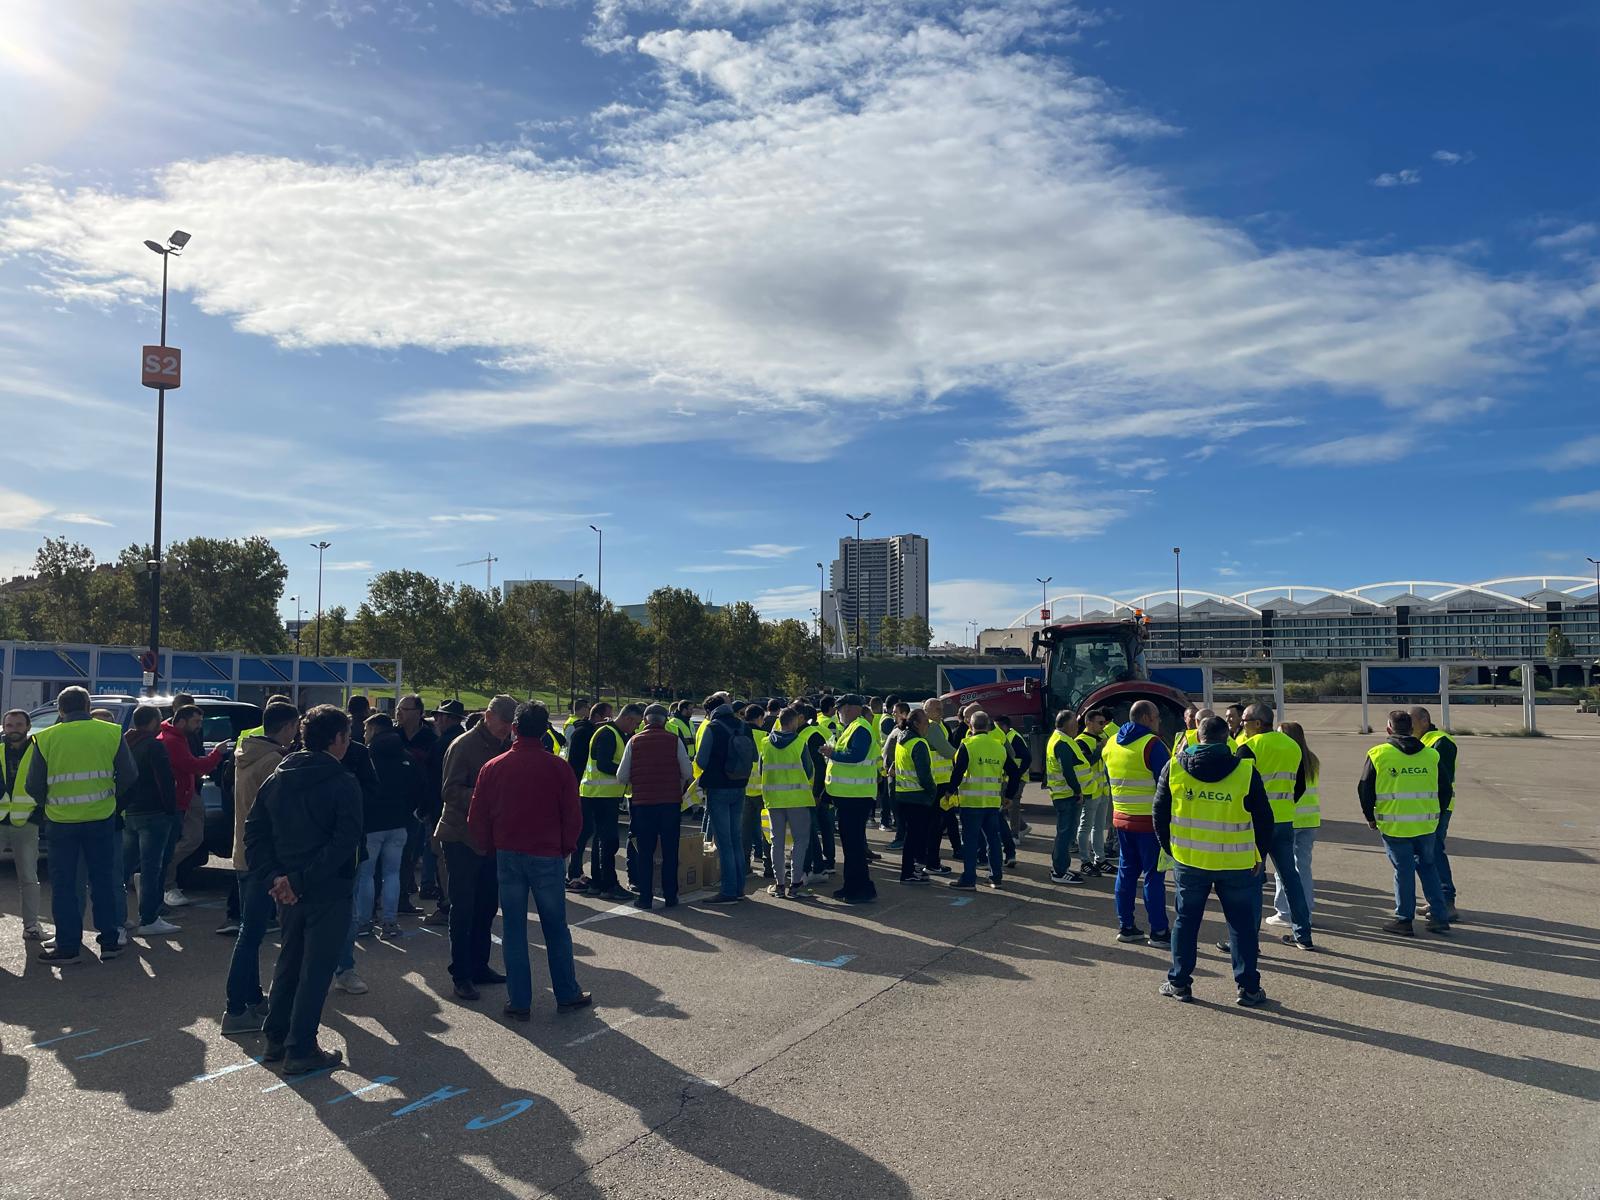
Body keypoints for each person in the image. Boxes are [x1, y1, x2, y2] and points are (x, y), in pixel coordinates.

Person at [244, 704, 362, 1074]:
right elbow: (345, 842)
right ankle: (300, 1047)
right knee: (316, 969)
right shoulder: (341, 782)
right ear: (338, 739)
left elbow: (254, 833)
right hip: (324, 888)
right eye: (347, 735)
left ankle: (276, 1038)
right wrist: (293, 880)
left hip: (289, 888)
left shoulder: (278, 777)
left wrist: (276, 878)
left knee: (290, 962)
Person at [467, 702, 591, 1019]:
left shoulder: (493, 766)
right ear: (545, 729)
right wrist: (566, 846)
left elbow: (477, 814)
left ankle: (519, 1000)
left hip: (508, 853)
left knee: (514, 929)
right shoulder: (558, 768)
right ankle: (566, 992)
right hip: (547, 853)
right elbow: (572, 815)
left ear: (514, 728)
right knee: (555, 928)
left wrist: (485, 846)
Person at [1155, 714, 1275, 1006]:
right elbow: (1264, 818)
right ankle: (1248, 989)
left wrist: (1170, 850)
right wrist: (1259, 853)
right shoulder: (1245, 771)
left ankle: (1180, 983)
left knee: (1186, 922)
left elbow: (1159, 814)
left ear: (1199, 736)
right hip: (1236, 863)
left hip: (1190, 861)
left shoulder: (1174, 768)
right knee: (1241, 926)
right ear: (1227, 738)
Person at [25, 687, 135, 964]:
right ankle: (110, 941)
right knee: (104, 882)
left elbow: (33, 785)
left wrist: (51, 803)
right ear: (88, 706)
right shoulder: (110, 732)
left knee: (64, 885)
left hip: (61, 822)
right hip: (101, 818)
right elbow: (130, 775)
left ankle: (68, 946)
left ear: (60, 710)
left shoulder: (46, 737)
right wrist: (112, 800)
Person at [221, 701, 298, 1031]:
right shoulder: (274, 762)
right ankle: (235, 1008)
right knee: (251, 934)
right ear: (286, 728)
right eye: (295, 727)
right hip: (261, 857)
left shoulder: (245, 752)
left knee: (250, 931)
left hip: (243, 851)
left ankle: (251, 997)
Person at [436, 694, 515, 1001]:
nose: (506, 729)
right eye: (503, 722)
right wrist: (486, 796)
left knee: (486, 906)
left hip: (490, 838)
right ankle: (462, 974)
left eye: (510, 724)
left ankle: (480, 965)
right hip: (460, 836)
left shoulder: (504, 745)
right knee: (463, 908)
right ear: (488, 715)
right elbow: (449, 790)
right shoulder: (464, 745)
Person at [1359, 709, 1450, 936]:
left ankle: (1404, 919)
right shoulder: (1431, 755)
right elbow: (1446, 789)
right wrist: (1436, 814)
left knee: (1404, 870)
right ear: (1411, 729)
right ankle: (1439, 915)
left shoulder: (1378, 753)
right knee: (1428, 867)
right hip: (1426, 825)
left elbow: (1364, 788)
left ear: (1389, 728)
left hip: (1395, 826)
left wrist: (1369, 816)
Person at [1235, 703, 1314, 950]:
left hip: (1257, 823)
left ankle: (1250, 940)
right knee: (1290, 877)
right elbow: (1300, 784)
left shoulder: (1249, 747)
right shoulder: (1292, 746)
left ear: (1258, 723)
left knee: (1254, 880)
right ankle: (1303, 935)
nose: (1241, 725)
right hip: (1285, 819)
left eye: (1245, 720)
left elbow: (1239, 786)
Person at [1102, 699, 1171, 946]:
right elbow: (1168, 783)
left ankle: (1126, 925)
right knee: (1154, 875)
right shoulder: (1152, 745)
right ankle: (1159, 931)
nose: (1159, 721)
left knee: (1126, 872)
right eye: (1156, 717)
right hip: (1149, 822)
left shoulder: (1111, 743)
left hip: (1121, 818)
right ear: (1146, 718)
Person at [617, 704, 693, 909]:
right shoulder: (674, 740)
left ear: (644, 720)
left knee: (645, 852)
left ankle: (645, 897)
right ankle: (671, 895)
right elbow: (687, 771)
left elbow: (621, 776)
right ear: (665, 721)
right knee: (670, 850)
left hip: (643, 804)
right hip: (670, 803)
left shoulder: (634, 741)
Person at [156, 703, 228, 907]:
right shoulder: (172, 741)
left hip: (187, 795)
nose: (199, 726)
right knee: (189, 840)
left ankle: (162, 878)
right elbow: (194, 765)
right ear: (181, 720)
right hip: (181, 798)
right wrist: (216, 754)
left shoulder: (177, 737)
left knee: (184, 840)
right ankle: (162, 879)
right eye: (196, 722)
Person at [357, 713, 421, 941]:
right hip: (399, 823)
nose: (364, 734)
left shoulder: (367, 757)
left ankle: (364, 921)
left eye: (366, 730)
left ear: (374, 729)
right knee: (392, 873)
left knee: (366, 874)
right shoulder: (406, 756)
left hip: (372, 824)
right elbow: (417, 789)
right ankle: (390, 921)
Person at [697, 695, 758, 903]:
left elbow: (702, 760)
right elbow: (754, 756)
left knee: (724, 842)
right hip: (740, 785)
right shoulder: (743, 727)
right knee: (735, 839)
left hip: (718, 787)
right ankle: (739, 888)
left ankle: (729, 890)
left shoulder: (712, 728)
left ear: (710, 711)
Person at [819, 695, 878, 904]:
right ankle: (855, 886)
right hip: (849, 796)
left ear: (852, 709)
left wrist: (832, 753)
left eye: (840, 709)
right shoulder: (853, 727)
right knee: (851, 846)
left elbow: (856, 756)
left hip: (856, 796)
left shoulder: (859, 728)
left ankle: (858, 889)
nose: (838, 713)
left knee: (853, 846)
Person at [579, 702, 641, 902]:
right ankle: (608, 884)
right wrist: (627, 772)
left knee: (601, 840)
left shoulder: (614, 733)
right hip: (600, 794)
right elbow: (603, 763)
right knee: (608, 841)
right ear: (629, 718)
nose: (635, 729)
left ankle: (598, 883)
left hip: (601, 793)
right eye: (635, 724)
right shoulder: (608, 733)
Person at [944, 711, 1007, 890]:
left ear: (970, 726)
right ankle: (996, 877)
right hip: (992, 803)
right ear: (988, 726)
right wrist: (1008, 794)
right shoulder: (998, 746)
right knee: (994, 841)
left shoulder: (967, 745)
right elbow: (1013, 769)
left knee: (970, 841)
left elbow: (958, 771)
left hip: (971, 802)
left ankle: (969, 879)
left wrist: (949, 790)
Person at [761, 706, 817, 898]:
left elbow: (762, 770)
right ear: (793, 722)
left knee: (776, 842)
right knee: (800, 841)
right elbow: (809, 771)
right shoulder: (800, 742)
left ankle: (779, 885)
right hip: (797, 799)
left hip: (773, 799)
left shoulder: (766, 743)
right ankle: (796, 884)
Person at [1410, 706, 1459, 922]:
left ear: (1424, 720)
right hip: (1425, 807)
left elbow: (1442, 779)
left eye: (1411, 722)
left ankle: (1447, 900)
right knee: (1424, 854)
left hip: (1439, 807)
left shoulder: (1441, 741)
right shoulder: (1422, 741)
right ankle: (1435, 898)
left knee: (1435, 851)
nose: (1409, 727)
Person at [1, 709, 46, 940]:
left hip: (26, 821)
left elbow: (48, 782)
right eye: (9, 725)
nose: (14, 729)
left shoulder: (39, 750)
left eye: (19, 724)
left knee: (28, 877)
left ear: (28, 727)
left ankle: (31, 927)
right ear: (3, 727)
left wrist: (38, 814)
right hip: (0, 821)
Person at [392, 694, 437, 916]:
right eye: (398, 708)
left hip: (420, 805)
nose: (399, 712)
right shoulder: (393, 736)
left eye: (405, 709)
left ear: (419, 713)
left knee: (413, 850)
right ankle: (400, 894)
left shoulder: (430, 739)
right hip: (394, 803)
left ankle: (405, 892)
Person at [1274, 720, 1321, 931]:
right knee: (1303, 867)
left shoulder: (1286, 758)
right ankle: (1306, 909)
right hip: (1310, 819)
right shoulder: (1312, 759)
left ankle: (1285, 911)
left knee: (1283, 869)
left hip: (1291, 817)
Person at [423, 698, 467, 921]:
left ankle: (447, 905)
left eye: (440, 716)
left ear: (449, 718)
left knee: (443, 860)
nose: (437, 720)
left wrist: (426, 810)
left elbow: (433, 783)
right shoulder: (469, 742)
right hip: (465, 810)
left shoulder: (443, 744)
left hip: (443, 812)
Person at [889, 709, 935, 886]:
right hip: (918, 797)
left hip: (903, 795)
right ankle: (909, 872)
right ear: (916, 723)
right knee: (917, 836)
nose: (928, 725)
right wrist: (932, 791)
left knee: (911, 836)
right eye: (926, 722)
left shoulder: (902, 740)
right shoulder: (918, 743)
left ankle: (911, 871)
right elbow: (924, 775)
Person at [1045, 710, 1088, 885]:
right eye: (1076, 724)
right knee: (1065, 834)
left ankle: (1060, 867)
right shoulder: (1062, 742)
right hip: (1066, 795)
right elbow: (1068, 770)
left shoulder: (1058, 739)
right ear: (1068, 725)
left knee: (1064, 833)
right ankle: (1060, 870)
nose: (1077, 728)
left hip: (1062, 794)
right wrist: (1078, 790)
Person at [565, 701, 604, 891]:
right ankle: (573, 874)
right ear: (596, 717)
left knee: (587, 830)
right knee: (583, 831)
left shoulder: (587, 732)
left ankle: (576, 871)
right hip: (582, 789)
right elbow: (575, 763)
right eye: (606, 718)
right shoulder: (583, 733)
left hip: (588, 789)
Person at [919, 697, 959, 875]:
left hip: (941, 781)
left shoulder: (939, 725)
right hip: (936, 783)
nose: (941, 712)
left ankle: (927, 859)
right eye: (936, 709)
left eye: (941, 708)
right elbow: (948, 751)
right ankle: (932, 861)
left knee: (940, 821)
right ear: (926, 711)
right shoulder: (932, 727)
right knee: (935, 824)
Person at [1074, 711, 1110, 876]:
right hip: (1089, 791)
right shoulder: (1080, 741)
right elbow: (1087, 762)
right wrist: (1100, 748)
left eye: (1104, 722)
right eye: (1100, 722)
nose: (1103, 726)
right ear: (1089, 722)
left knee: (1100, 827)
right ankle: (1085, 861)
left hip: (1102, 790)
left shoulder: (1100, 739)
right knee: (1086, 827)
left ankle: (1100, 859)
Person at [741, 703, 774, 881]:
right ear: (760, 718)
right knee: (767, 831)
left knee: (744, 831)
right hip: (764, 790)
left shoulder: (739, 734)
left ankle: (745, 865)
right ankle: (769, 866)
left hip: (744, 789)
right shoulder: (766, 737)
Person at [995, 715, 1030, 867]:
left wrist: (1018, 772)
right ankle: (1022, 827)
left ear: (1003, 726)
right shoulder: (1006, 736)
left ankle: (1015, 834)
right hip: (1009, 777)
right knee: (1007, 805)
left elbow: (1027, 757)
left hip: (1017, 777)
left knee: (1014, 804)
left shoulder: (1013, 737)